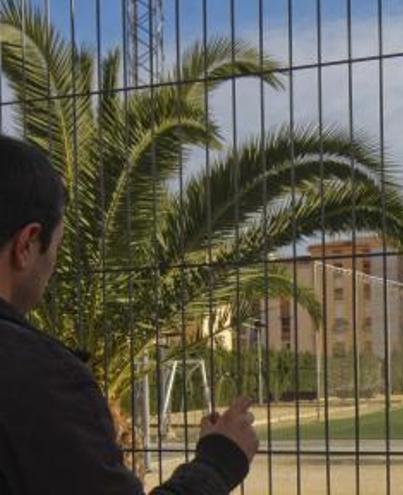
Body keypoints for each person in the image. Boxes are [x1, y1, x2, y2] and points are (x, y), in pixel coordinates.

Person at [0, 135, 259, 494]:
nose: (53, 266)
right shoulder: (40, 381)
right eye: (55, 248)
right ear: (27, 244)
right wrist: (220, 459)